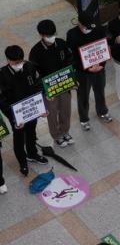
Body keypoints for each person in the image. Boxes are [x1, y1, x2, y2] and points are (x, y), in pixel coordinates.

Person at [0, 45, 48, 176]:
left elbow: (38, 86)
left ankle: (32, 154)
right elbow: (2, 101)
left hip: (31, 110)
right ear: (8, 60)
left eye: (21, 61)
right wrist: (13, 118)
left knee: (31, 133)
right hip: (16, 115)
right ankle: (22, 162)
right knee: (19, 138)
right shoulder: (2, 75)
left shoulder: (29, 67)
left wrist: (42, 108)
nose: (19, 64)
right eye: (16, 62)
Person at [29, 19, 74, 148]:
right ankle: (56, 135)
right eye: (48, 36)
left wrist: (72, 79)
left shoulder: (61, 43)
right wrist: (44, 91)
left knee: (66, 109)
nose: (52, 37)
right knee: (52, 113)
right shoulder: (35, 52)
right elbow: (34, 75)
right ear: (41, 35)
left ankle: (65, 131)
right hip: (49, 90)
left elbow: (70, 61)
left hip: (64, 85)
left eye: (53, 34)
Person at [66, 12, 112, 131]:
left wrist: (101, 65)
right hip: (82, 73)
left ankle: (102, 111)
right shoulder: (72, 35)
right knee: (83, 96)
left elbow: (104, 49)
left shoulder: (99, 30)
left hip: (99, 69)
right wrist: (86, 68)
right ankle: (84, 119)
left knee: (100, 91)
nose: (88, 29)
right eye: (86, 27)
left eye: (90, 27)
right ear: (79, 23)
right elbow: (72, 58)